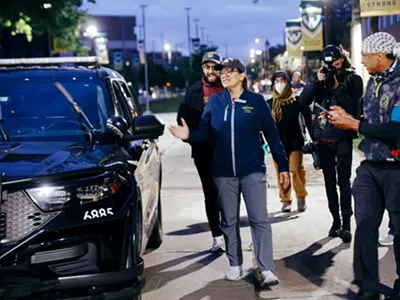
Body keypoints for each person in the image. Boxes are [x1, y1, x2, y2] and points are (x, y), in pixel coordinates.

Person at [169, 58, 290, 287]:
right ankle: (235, 264)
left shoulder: (256, 102)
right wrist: (189, 136)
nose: (223, 75)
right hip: (223, 172)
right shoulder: (215, 102)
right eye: (221, 71)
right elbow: (204, 133)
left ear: (242, 75)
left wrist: (282, 165)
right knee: (229, 220)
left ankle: (266, 269)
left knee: (259, 219)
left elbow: (272, 137)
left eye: (229, 71)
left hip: (252, 170)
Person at [326, 32, 400, 300]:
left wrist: (355, 125)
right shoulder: (374, 82)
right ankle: (367, 286)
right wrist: (349, 117)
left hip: (396, 167)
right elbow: (368, 119)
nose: (361, 60)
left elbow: (395, 130)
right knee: (365, 224)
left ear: (381, 57)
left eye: (366, 56)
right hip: (370, 164)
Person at [300, 44, 363, 243]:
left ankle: (346, 223)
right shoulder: (319, 77)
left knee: (343, 182)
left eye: (336, 63)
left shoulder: (353, 78)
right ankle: (335, 221)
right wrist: (314, 83)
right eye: (330, 64)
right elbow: (302, 101)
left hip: (343, 136)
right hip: (323, 138)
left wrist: (336, 87)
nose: (333, 67)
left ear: (342, 59)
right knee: (329, 183)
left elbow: (354, 106)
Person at [177, 51, 225, 252]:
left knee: (228, 192)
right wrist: (194, 139)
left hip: (227, 150)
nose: (210, 71)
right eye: (207, 67)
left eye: (214, 67)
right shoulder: (194, 91)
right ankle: (217, 236)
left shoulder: (228, 88)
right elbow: (182, 119)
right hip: (203, 151)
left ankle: (229, 231)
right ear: (202, 68)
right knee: (211, 193)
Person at [267, 70, 312, 213]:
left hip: (295, 141)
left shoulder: (297, 101)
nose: (280, 84)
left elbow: (308, 119)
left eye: (283, 80)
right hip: (277, 144)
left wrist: (313, 138)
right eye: (276, 81)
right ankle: (285, 200)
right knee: (282, 172)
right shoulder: (269, 104)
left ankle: (301, 196)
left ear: (288, 82)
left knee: (296, 169)